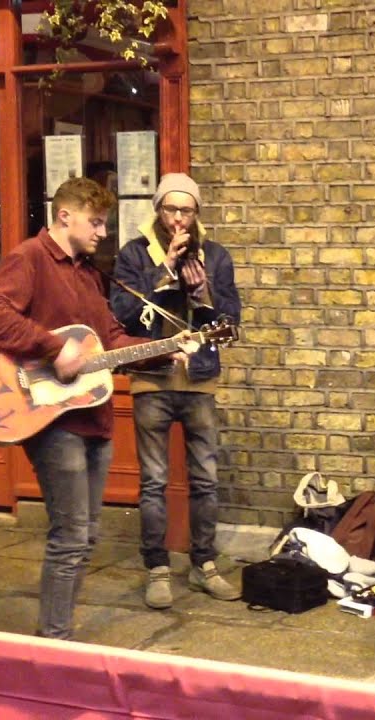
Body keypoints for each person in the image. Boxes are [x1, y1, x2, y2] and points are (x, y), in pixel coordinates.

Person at [0, 177, 192, 639]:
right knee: (70, 537)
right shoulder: (30, 258)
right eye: (97, 222)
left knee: (87, 537)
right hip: (52, 418)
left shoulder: (89, 273)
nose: (103, 232)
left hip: (94, 416)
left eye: (106, 223)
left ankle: (58, 634)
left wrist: (165, 348)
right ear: (64, 215)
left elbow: (110, 342)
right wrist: (52, 348)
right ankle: (56, 643)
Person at [110, 172, 243, 609]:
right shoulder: (133, 254)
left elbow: (232, 321)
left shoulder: (217, 256)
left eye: (187, 210)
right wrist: (164, 270)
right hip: (153, 379)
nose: (179, 219)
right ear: (158, 210)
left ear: (197, 213)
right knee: (154, 482)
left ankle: (204, 565)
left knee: (205, 480)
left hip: (200, 380)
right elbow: (122, 317)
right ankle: (158, 568)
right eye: (171, 209)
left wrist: (205, 293)